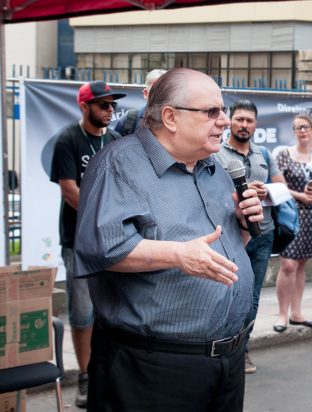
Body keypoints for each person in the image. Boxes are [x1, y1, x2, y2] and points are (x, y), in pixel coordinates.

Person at [74, 68, 263, 412]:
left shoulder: (215, 167)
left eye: (223, 110)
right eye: (211, 112)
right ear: (171, 117)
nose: (224, 121)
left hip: (226, 362)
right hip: (153, 368)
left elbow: (225, 248)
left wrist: (245, 226)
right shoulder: (118, 164)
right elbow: (101, 248)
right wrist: (177, 255)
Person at [50, 80, 125, 408]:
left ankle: (107, 372)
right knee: (82, 312)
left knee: (113, 308)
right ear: (85, 107)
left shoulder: (116, 140)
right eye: (103, 105)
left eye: (113, 105)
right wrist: (104, 217)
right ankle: (85, 375)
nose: (110, 111)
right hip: (79, 239)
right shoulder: (68, 139)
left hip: (114, 238)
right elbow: (70, 191)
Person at [213, 99, 285, 374]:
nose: (244, 125)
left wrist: (265, 190)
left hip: (262, 235)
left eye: (250, 121)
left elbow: (281, 187)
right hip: (229, 236)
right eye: (239, 119)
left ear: (256, 124)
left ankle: (242, 351)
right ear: (230, 121)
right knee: (226, 294)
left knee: (252, 297)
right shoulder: (216, 153)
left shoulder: (263, 154)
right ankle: (221, 346)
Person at [273, 114, 312, 332]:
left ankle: (296, 312)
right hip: (291, 213)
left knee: (301, 264)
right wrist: (300, 196)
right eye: (297, 128)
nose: (301, 131)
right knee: (288, 264)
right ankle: (282, 315)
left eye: (305, 127)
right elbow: (277, 185)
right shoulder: (284, 155)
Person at [114, 69, 167, 136]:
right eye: (155, 92)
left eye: (165, 92)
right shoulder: (130, 120)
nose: (161, 96)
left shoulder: (178, 121)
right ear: (146, 93)